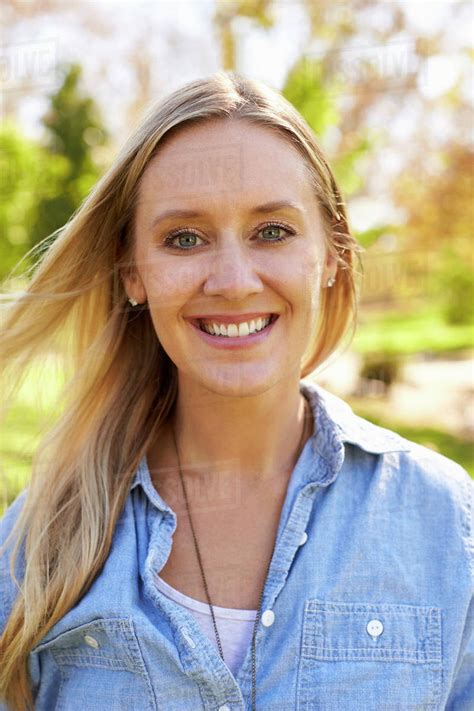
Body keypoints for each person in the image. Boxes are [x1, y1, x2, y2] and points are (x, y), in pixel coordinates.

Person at [0, 71, 472, 711]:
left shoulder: (448, 524)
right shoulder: (39, 542)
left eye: (272, 231)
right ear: (132, 271)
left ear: (330, 254)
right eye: (184, 238)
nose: (232, 279)